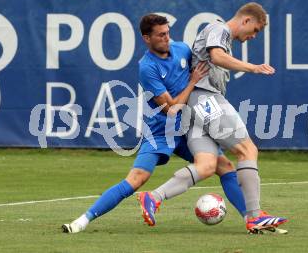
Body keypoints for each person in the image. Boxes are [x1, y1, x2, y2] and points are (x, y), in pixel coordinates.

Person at [62, 14, 247, 233]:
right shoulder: (147, 67)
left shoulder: (182, 50)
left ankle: (250, 219)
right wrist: (193, 82)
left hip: (188, 129)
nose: (166, 38)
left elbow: (207, 63)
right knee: (136, 179)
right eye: (160, 35)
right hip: (161, 131)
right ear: (146, 38)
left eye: (168, 32)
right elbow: (171, 108)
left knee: (224, 166)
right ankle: (82, 221)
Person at [139, 3, 288, 234]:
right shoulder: (219, 29)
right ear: (246, 20)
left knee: (208, 166)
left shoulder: (221, 35)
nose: (254, 36)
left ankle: (153, 196)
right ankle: (255, 216)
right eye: (255, 29)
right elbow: (217, 56)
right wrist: (253, 68)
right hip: (205, 100)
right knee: (247, 150)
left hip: (194, 108)